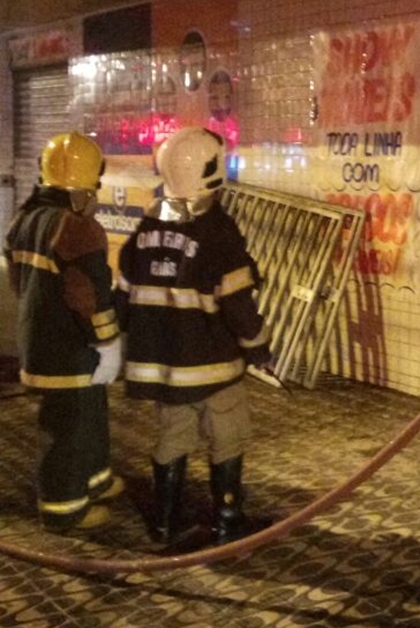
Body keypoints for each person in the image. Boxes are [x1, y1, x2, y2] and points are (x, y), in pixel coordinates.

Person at [115, 126, 271, 545]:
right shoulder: (218, 232)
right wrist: (258, 347)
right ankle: (227, 521)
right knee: (228, 436)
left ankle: (165, 524)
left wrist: (114, 341)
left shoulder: (146, 229)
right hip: (213, 366)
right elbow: (237, 302)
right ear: (211, 172)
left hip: (165, 368)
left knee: (172, 437)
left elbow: (123, 298)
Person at [3, 131, 124, 532]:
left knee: (89, 415)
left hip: (39, 342)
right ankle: (64, 508)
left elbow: (19, 284)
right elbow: (90, 296)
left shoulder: (24, 220)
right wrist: (108, 341)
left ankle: (96, 480)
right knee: (66, 429)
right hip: (72, 351)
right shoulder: (76, 227)